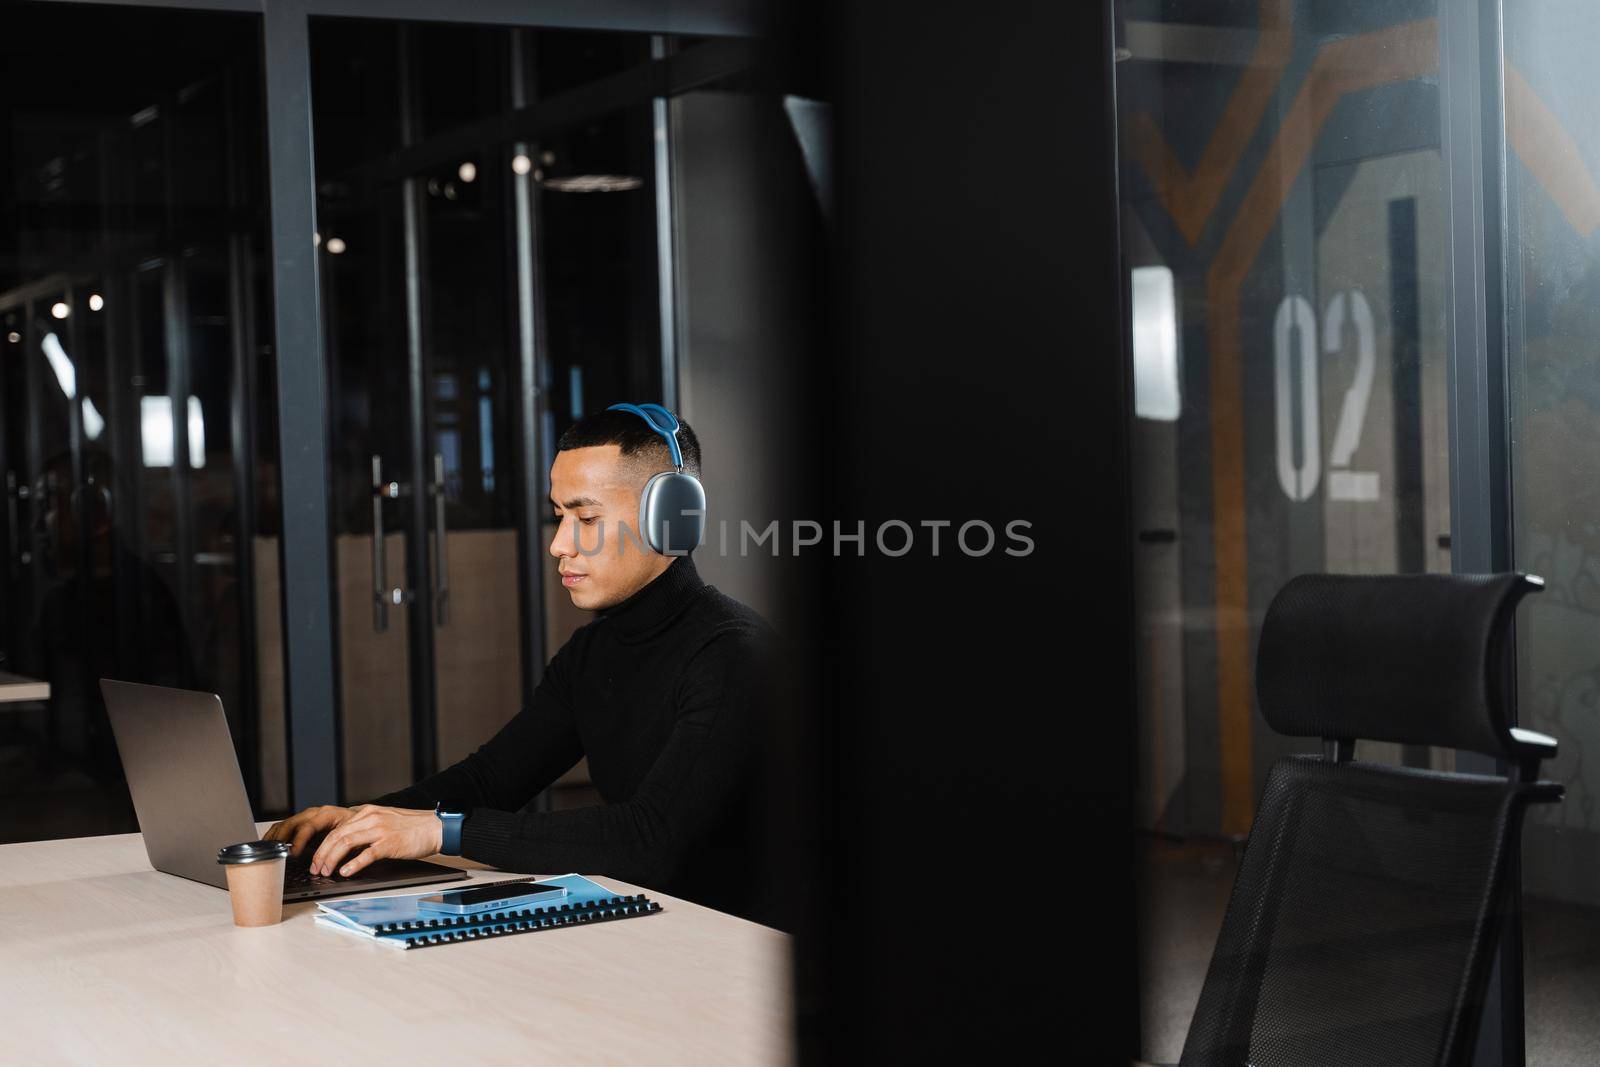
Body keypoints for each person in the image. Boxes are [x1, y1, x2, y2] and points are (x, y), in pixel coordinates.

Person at [265, 405, 777, 920]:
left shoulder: (734, 654)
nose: (559, 544)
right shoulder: (591, 654)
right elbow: (491, 779)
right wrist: (359, 821)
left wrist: (441, 830)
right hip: (657, 930)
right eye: (560, 516)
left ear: (670, 518)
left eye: (588, 518)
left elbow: (649, 838)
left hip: (745, 951)